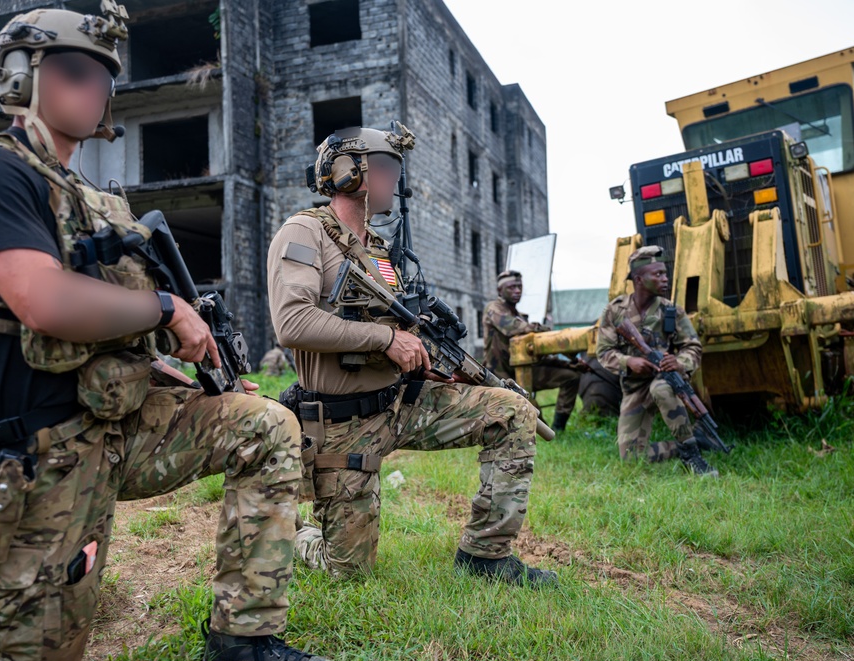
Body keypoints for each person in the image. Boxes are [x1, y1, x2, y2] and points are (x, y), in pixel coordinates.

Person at [0, 6, 332, 661]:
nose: (96, 89)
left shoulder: (90, 197)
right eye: (75, 72)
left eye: (104, 77)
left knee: (264, 426)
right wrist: (169, 307)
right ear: (16, 77)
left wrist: (185, 372)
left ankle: (243, 638)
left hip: (116, 424)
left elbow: (116, 334)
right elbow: (46, 302)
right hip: (37, 450)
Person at [267, 124, 558, 587]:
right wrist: (386, 341)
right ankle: (291, 531)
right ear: (347, 173)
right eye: (385, 169)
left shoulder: (380, 250)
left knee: (512, 412)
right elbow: (292, 323)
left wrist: (425, 352)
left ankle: (485, 555)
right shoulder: (304, 232)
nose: (394, 182)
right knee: (349, 572)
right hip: (343, 427)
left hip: (401, 403)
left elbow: (396, 327)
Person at [596, 246, 719, 476]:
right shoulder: (615, 311)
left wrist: (680, 363)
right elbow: (603, 352)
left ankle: (693, 458)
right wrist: (629, 362)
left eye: (665, 273)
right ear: (639, 279)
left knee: (662, 388)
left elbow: (692, 346)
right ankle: (693, 441)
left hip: (664, 379)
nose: (665, 278)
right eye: (658, 274)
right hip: (634, 387)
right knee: (631, 459)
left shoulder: (672, 311)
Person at [482, 270, 581, 432]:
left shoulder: (521, 317)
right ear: (500, 291)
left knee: (571, 377)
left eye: (519, 287)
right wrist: (540, 329)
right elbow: (512, 328)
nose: (517, 291)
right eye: (512, 287)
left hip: (525, 371)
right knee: (532, 412)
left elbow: (535, 353)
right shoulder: (493, 309)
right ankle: (547, 435)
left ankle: (559, 427)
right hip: (500, 376)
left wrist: (571, 364)